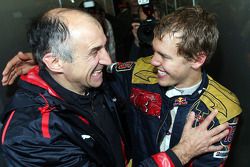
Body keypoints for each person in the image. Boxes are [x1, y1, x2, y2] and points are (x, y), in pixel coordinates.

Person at [1, 7, 230, 167]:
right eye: (94, 52)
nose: (108, 61)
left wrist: (45, 61)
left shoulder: (89, 79)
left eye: (104, 46)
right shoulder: (32, 135)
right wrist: (183, 152)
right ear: (56, 61)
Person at [109, 6, 242, 166]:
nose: (153, 61)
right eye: (154, 51)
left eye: (164, 56)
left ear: (197, 59)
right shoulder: (138, 73)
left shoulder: (223, 110)